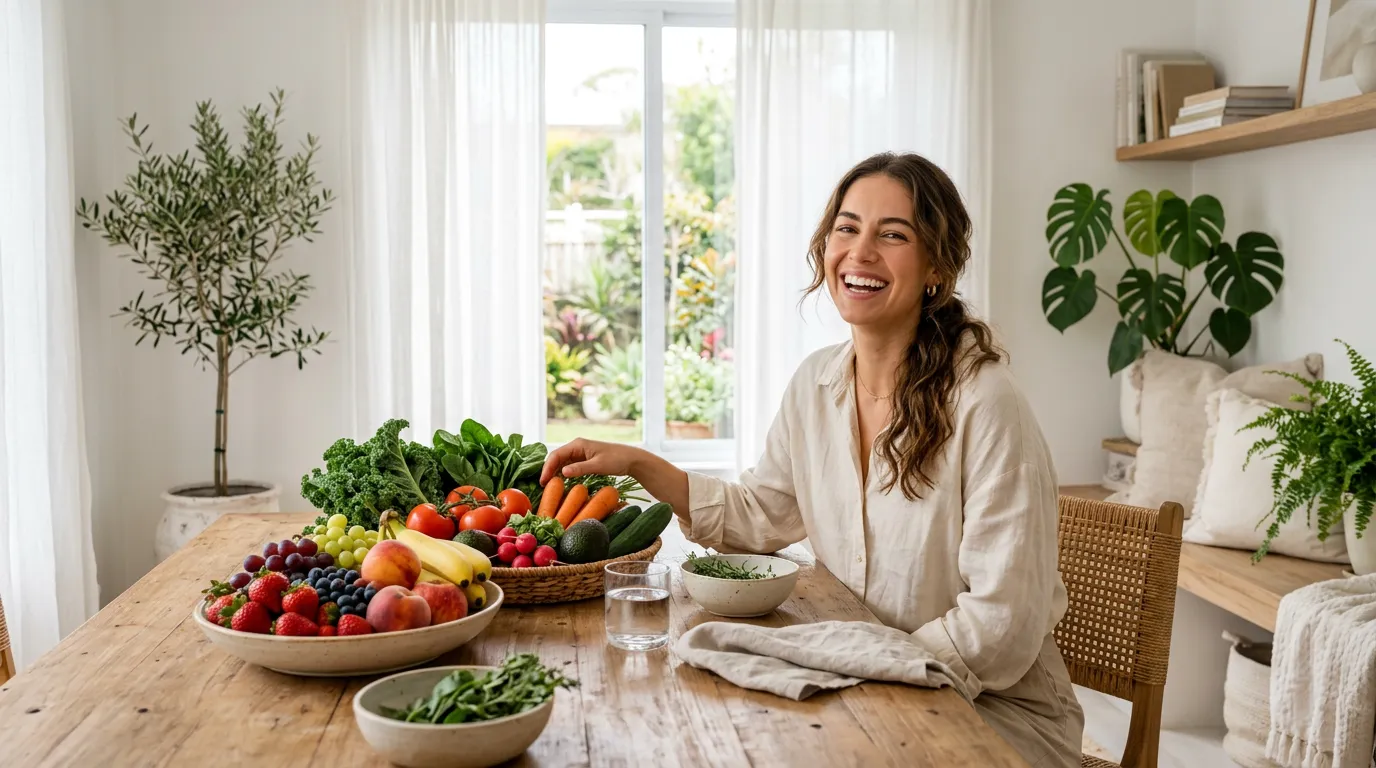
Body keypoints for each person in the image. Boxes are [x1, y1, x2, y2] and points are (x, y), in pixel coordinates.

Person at [540, 151, 1084, 767]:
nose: (861, 252)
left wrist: (863, 667)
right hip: (872, 684)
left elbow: (1001, 629)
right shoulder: (816, 384)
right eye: (847, 228)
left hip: (990, 711)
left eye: (893, 235)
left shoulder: (987, 403)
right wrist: (644, 466)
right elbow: (763, 514)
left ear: (937, 265)